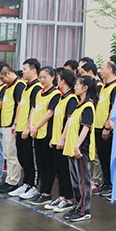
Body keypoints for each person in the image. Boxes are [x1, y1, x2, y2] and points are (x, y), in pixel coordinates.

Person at [37, 69, 77, 210]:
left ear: (63, 81)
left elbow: (69, 121)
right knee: (59, 171)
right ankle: (61, 196)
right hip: (55, 139)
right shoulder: (61, 97)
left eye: (58, 79)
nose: (56, 81)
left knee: (65, 171)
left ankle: (69, 199)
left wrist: (62, 138)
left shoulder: (72, 99)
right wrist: (53, 138)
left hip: (63, 141)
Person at [59, 75, 97, 222]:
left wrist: (77, 146)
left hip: (81, 150)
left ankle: (84, 210)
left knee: (83, 181)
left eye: (77, 84)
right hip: (72, 148)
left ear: (85, 88)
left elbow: (86, 128)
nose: (74, 87)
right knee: (75, 181)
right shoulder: (79, 105)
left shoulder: (88, 106)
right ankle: (78, 205)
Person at [27, 67, 62, 209]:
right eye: (40, 77)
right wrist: (31, 125)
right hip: (37, 132)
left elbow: (49, 113)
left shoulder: (56, 94)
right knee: (40, 163)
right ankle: (41, 191)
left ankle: (47, 193)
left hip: (47, 133)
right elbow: (34, 109)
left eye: (45, 77)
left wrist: (36, 126)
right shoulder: (39, 93)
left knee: (48, 164)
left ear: (53, 77)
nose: (42, 80)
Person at [10, 59, 43, 199]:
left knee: (31, 159)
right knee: (22, 158)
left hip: (28, 130)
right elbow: (21, 107)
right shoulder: (26, 87)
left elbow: (33, 109)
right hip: (20, 127)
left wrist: (28, 128)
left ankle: (33, 186)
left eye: (25, 69)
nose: (23, 72)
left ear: (33, 70)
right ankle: (26, 183)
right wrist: (16, 124)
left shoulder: (37, 88)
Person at [0, 63, 26, 194]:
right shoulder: (8, 87)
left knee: (13, 155)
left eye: (2, 78)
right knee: (7, 154)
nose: (2, 81)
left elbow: (20, 105)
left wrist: (16, 123)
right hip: (5, 124)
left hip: (12, 124)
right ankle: (9, 180)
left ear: (8, 73)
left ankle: (13, 181)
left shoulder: (19, 85)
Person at [93, 61, 116, 199]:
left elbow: (114, 107)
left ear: (110, 69)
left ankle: (111, 185)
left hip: (105, 129)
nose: (100, 71)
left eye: (102, 68)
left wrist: (108, 126)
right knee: (102, 159)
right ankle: (106, 183)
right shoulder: (104, 87)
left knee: (108, 158)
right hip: (97, 127)